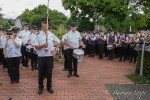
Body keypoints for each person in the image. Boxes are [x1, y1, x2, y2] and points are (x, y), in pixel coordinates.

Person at [35, 18, 60, 94]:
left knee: (49, 73)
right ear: (42, 24)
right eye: (44, 23)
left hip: (49, 56)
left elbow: (59, 42)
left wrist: (56, 49)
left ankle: (49, 87)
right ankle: (40, 87)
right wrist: (43, 45)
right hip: (41, 57)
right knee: (41, 73)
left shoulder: (51, 34)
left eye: (47, 23)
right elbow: (36, 46)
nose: (46, 25)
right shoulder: (38, 35)